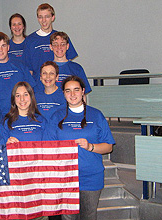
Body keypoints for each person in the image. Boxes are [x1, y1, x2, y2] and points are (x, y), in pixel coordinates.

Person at [48, 76, 115, 220]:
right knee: (68, 218)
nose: (72, 94)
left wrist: (90, 146)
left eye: (76, 90)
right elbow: (49, 148)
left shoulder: (96, 115)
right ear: (64, 94)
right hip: (65, 178)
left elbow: (108, 146)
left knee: (89, 216)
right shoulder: (56, 116)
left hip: (91, 176)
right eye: (68, 91)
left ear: (83, 91)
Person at [0, 32, 36, 117]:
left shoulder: (20, 66)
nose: (0, 50)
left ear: (8, 47)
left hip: (20, 115)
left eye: (3, 46)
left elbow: (31, 91)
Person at [22, 3, 78, 82]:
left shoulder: (61, 38)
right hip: (38, 86)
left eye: (47, 17)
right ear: (37, 18)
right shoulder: (30, 40)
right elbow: (28, 69)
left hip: (59, 85)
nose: (43, 20)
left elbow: (68, 63)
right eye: (40, 17)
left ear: (53, 17)